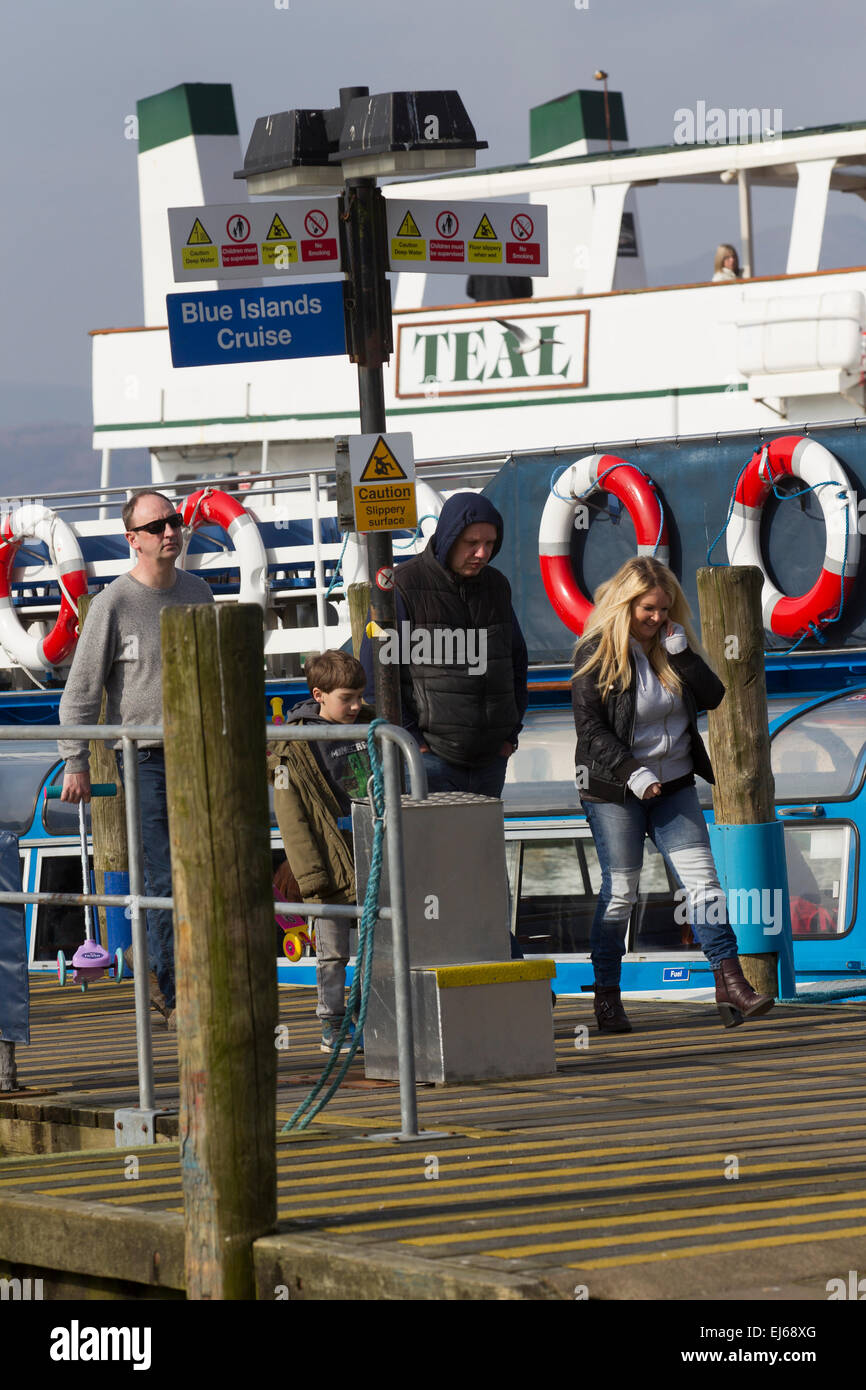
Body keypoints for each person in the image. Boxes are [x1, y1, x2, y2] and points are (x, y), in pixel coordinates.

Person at [571, 555, 774, 1033]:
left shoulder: (671, 646)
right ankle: (606, 998)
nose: (658, 618)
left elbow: (714, 696)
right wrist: (631, 771)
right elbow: (590, 729)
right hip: (614, 789)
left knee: (704, 884)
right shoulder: (595, 652)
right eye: (648, 609)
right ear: (625, 605)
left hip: (676, 783)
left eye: (665, 609)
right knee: (621, 892)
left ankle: (732, 984)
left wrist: (682, 655)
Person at [58, 489, 214, 1027]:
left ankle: (201, 983)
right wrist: (75, 760)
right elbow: (80, 691)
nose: (169, 531)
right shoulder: (111, 604)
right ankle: (173, 996)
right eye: (156, 527)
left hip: (199, 754)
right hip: (143, 758)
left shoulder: (198, 591)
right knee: (162, 879)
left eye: (173, 522)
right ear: (134, 540)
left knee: (203, 873)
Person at [362, 492, 528, 798]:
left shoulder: (497, 586)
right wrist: (414, 740)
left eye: (490, 544)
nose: (482, 553)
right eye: (472, 543)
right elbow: (377, 676)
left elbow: (516, 660)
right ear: (449, 537)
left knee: (480, 846)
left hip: (491, 758)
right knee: (430, 845)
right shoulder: (403, 587)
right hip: (429, 758)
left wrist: (510, 734)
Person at [267, 650, 373, 1053]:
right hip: (329, 863)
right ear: (319, 695)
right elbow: (291, 818)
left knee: (373, 945)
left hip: (368, 851)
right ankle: (331, 1021)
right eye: (347, 697)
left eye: (360, 696)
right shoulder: (291, 750)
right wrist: (311, 876)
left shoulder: (369, 726)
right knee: (333, 951)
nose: (356, 705)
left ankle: (365, 1015)